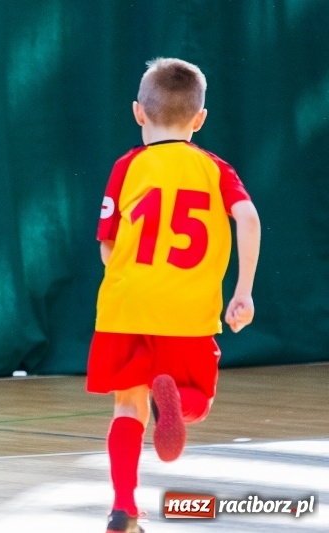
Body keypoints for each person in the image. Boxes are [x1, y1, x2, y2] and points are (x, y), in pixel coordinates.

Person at [87, 57, 261, 533]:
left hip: (125, 307)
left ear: (138, 113)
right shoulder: (214, 169)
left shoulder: (128, 166)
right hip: (187, 311)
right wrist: (242, 291)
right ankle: (175, 404)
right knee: (197, 402)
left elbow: (107, 246)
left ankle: (123, 507)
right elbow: (247, 218)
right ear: (200, 119)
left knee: (127, 406)